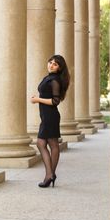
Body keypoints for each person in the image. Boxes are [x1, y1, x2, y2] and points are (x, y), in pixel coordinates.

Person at [30, 55, 70, 188]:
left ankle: (50, 175)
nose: (51, 65)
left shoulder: (55, 80)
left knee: (44, 143)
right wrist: (38, 98)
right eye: (50, 62)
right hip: (46, 116)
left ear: (60, 68)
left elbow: (55, 101)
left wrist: (38, 100)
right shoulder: (48, 78)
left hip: (50, 116)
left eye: (55, 64)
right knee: (48, 143)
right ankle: (50, 174)